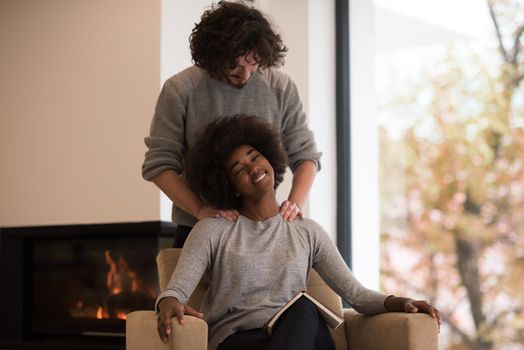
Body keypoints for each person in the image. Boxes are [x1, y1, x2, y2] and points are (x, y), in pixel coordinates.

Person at [155, 115, 442, 350]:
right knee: (304, 313)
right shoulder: (213, 230)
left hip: (301, 335)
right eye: (238, 169)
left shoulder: (307, 231)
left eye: (255, 157)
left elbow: (355, 294)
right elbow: (176, 290)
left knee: (303, 310)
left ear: (269, 159)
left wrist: (400, 302)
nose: (253, 167)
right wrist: (167, 302)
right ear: (228, 186)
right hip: (240, 340)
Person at [142, 1, 321, 247]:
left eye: (254, 63)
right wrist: (201, 210)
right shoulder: (181, 89)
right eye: (234, 65)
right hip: (199, 230)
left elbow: (306, 156)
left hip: (264, 231)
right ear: (212, 56)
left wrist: (294, 203)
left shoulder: (280, 87)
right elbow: (159, 164)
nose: (245, 74)